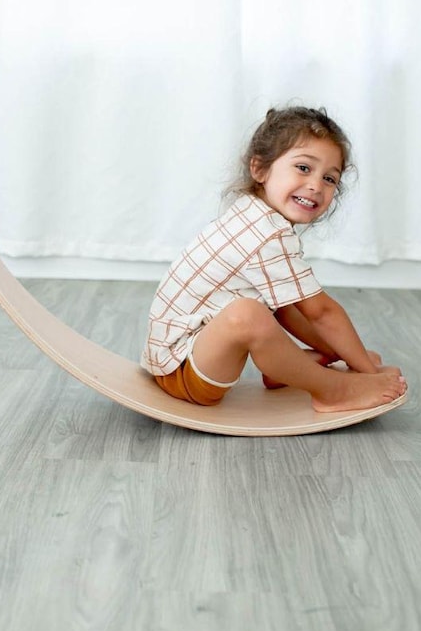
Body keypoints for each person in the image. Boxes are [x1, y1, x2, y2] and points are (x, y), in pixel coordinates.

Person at [141, 106, 407, 412]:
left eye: (330, 179)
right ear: (260, 170)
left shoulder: (253, 213)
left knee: (272, 304)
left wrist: (344, 354)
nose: (316, 185)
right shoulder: (265, 234)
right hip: (181, 370)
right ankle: (333, 390)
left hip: (182, 357)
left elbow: (285, 308)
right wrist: (366, 374)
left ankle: (285, 367)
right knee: (247, 314)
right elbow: (321, 313)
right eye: (304, 168)